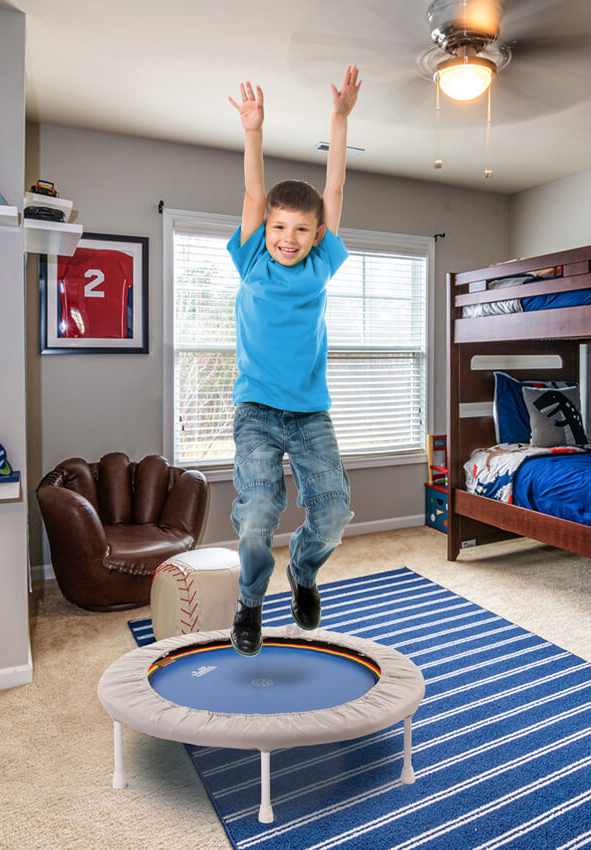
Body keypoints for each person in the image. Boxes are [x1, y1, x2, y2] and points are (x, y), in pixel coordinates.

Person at [225, 65, 362, 656]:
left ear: (315, 235)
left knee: (333, 513)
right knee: (257, 513)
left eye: (300, 229)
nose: (287, 236)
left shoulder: (321, 265)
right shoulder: (252, 257)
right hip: (256, 408)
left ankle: (302, 575)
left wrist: (339, 119)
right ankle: (250, 602)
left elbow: (332, 194)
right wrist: (254, 131)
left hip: (309, 413)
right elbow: (255, 194)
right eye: (279, 227)